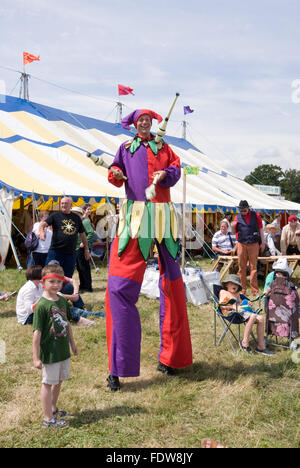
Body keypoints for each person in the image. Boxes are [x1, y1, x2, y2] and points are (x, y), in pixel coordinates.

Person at [104, 108, 193, 391]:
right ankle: (117, 368)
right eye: (139, 120)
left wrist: (166, 174)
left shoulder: (164, 146)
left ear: (153, 123)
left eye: (148, 120)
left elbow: (177, 169)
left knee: (173, 284)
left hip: (164, 217)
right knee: (118, 287)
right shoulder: (125, 148)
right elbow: (114, 174)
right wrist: (116, 173)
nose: (144, 123)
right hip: (135, 217)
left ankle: (172, 358)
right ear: (133, 125)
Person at [32, 263, 78, 428]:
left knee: (58, 381)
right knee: (48, 383)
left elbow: (67, 324)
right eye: (51, 282)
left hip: (62, 351)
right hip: (50, 353)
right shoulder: (42, 305)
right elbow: (37, 333)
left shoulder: (62, 301)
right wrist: (36, 357)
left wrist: (72, 344)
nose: (56, 285)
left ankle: (52, 408)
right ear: (43, 283)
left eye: (58, 282)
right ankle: (48, 419)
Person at [219, 274, 274, 355]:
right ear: (226, 284)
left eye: (236, 284)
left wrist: (246, 303)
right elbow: (222, 305)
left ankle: (261, 347)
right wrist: (234, 307)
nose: (234, 285)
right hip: (231, 314)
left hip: (241, 313)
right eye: (231, 283)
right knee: (253, 316)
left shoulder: (237, 294)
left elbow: (241, 304)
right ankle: (245, 343)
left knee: (261, 318)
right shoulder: (224, 292)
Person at [39, 197, 90, 278]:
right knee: (50, 275)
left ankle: (64, 290)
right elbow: (43, 224)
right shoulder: (55, 216)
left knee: (67, 277)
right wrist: (42, 232)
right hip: (56, 252)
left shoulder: (76, 218)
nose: (63, 205)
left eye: (66, 203)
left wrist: (86, 249)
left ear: (71, 205)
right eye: (62, 203)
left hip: (71, 253)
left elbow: (82, 234)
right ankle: (49, 290)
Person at [231, 200, 265, 297]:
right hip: (241, 243)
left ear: (248, 208)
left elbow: (261, 229)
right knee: (241, 267)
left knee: (253, 267)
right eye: (241, 210)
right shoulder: (237, 217)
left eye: (244, 210)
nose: (243, 212)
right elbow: (233, 232)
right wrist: (232, 226)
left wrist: (262, 242)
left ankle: (255, 291)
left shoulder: (256, 215)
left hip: (254, 243)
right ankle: (242, 290)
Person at [264, 258, 299, 340]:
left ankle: (270, 334)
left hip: (273, 315)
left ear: (277, 273)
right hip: (288, 317)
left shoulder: (273, 283)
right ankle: (291, 337)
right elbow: (296, 300)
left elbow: (265, 293)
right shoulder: (291, 286)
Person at [72, 205, 94, 293]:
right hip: (76, 247)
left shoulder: (85, 222)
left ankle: (88, 286)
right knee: (80, 268)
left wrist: (84, 243)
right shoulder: (78, 221)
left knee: (84, 267)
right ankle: (83, 285)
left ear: (78, 213)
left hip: (82, 248)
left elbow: (91, 233)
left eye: (74, 213)